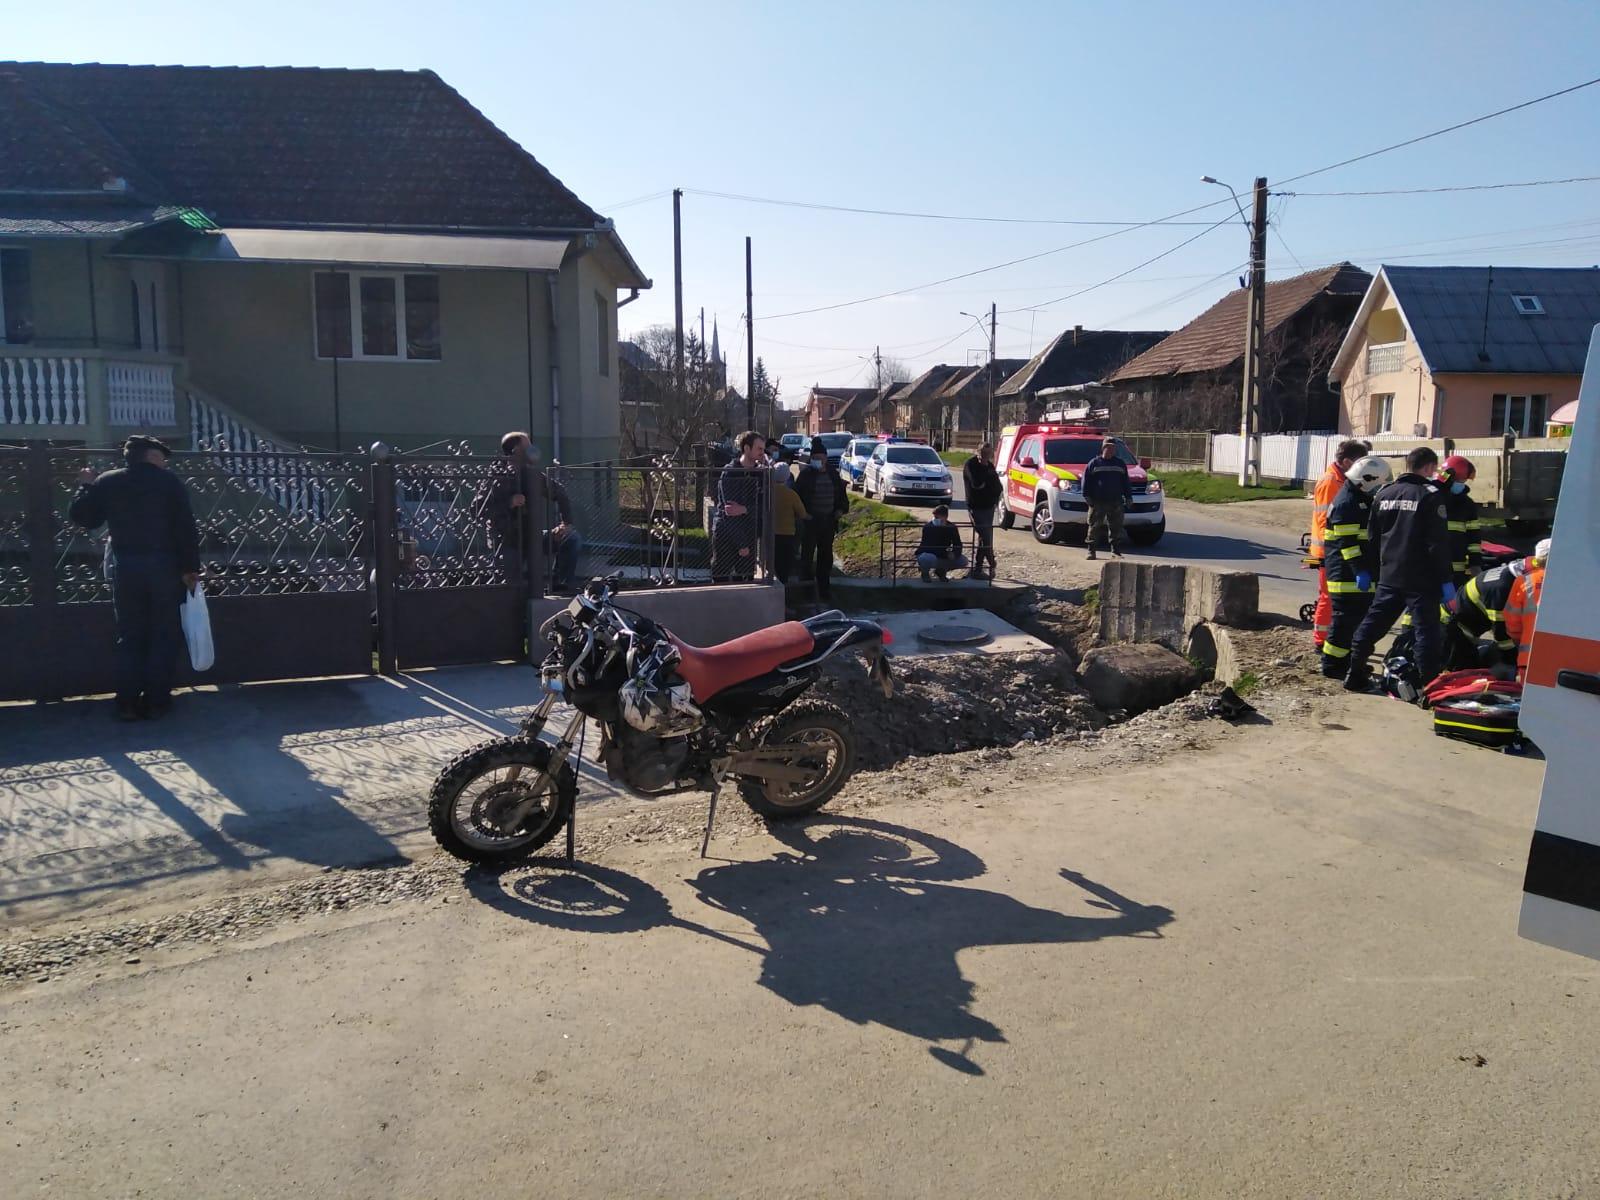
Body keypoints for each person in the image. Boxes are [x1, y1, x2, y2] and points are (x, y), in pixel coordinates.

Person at [69, 435, 201, 720]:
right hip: (165, 567)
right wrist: (191, 568)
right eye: (162, 457)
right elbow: (185, 527)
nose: (165, 462)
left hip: (126, 567)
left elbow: (85, 518)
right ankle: (156, 702)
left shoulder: (108, 481)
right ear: (151, 457)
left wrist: (85, 486)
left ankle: (126, 703)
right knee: (164, 634)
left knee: (130, 635)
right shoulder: (169, 483)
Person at [1343, 446, 1453, 693]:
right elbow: (1437, 543)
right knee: (1427, 633)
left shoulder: (1384, 494)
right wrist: (1446, 579)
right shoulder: (1429, 495)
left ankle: (1355, 672)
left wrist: (1372, 570)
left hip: (1390, 575)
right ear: (1428, 467)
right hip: (1421, 578)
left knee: (1372, 626)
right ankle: (1428, 688)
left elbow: (1373, 538)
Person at [481, 431, 582, 592]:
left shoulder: (531, 474)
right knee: (509, 588)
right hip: (506, 540)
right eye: (527, 446)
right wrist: (509, 502)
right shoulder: (496, 475)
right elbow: (478, 509)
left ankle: (560, 585)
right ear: (516, 450)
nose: (532, 450)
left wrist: (566, 524)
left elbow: (560, 493)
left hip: (531, 537)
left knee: (571, 538)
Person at [1317, 455, 1390, 679]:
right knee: (1344, 622)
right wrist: (1360, 571)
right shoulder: (1347, 503)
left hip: (1354, 572)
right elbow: (1348, 545)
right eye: (1378, 483)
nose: (1379, 488)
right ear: (1366, 480)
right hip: (1346, 574)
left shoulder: (1358, 497)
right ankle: (1332, 665)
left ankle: (1347, 662)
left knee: (1354, 621)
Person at [1307, 439, 1372, 650]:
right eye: (1359, 462)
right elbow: (1328, 520)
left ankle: (1336, 639)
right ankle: (1321, 640)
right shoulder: (1331, 482)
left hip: (1333, 547)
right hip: (1328, 549)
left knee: (1338, 598)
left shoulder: (1341, 480)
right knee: (1329, 597)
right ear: (1346, 462)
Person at [1443, 542, 1547, 673]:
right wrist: (1513, 662)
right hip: (1451, 627)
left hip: (1464, 627)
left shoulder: (1515, 572)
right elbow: (1501, 634)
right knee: (1461, 673)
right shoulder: (1503, 587)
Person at [793, 436, 850, 601]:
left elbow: (842, 497)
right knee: (807, 557)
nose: (817, 461)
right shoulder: (805, 476)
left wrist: (840, 510)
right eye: (815, 458)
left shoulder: (833, 475)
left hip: (828, 522)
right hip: (810, 522)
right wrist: (804, 515)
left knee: (825, 557)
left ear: (825, 458)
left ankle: (824, 590)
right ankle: (807, 591)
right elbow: (796, 498)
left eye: (820, 458)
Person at [712, 430, 769, 582]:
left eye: (763, 449)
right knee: (721, 577)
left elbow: (764, 507)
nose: (762, 453)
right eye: (759, 448)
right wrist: (741, 543)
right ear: (747, 448)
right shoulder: (730, 472)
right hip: (726, 533)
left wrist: (744, 509)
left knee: (746, 578)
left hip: (750, 532)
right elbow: (729, 511)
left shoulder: (761, 473)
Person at [1502, 539, 1549, 681]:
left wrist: (1519, 639)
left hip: (1528, 659)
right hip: (1562, 660)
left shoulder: (1524, 581)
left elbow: (1512, 620)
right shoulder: (1574, 583)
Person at [1435, 453, 1483, 588]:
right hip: (1432, 570)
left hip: (1458, 572)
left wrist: (1475, 564)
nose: (1462, 485)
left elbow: (1474, 537)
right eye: (1461, 481)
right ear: (1450, 478)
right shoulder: (1432, 499)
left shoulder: (1467, 504)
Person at [1080, 438, 1130, 560]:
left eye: (1113, 448)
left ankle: (1115, 551)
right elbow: (1086, 481)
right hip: (1098, 501)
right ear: (1103, 448)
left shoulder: (1120, 464)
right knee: (1094, 526)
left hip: (1116, 501)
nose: (1110, 450)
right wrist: (1087, 496)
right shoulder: (1094, 463)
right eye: (1108, 447)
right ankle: (1091, 551)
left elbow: (1125, 482)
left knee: (1116, 527)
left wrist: (1128, 496)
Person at [962, 443, 1002, 580]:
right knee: (985, 535)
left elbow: (998, 487)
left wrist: (991, 491)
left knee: (984, 537)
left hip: (988, 507)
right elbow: (977, 484)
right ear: (978, 452)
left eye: (989, 454)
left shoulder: (990, 466)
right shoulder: (970, 465)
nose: (986, 457)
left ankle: (978, 567)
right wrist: (986, 478)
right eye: (984, 454)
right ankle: (991, 563)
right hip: (976, 507)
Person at [770, 462, 808, 583]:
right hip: (787, 534)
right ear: (787, 476)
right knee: (784, 565)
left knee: (770, 563)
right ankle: (783, 587)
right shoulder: (791, 494)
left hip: (769, 533)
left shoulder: (767, 492)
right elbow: (802, 514)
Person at [915, 504, 969, 582]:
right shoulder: (928, 527)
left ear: (945, 517)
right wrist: (945, 553)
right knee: (926, 558)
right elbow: (928, 546)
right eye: (934, 517)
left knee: (963, 561)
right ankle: (925, 573)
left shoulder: (951, 527)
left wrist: (954, 553)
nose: (934, 519)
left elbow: (957, 544)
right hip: (929, 553)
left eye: (937, 517)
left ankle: (941, 571)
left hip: (942, 555)